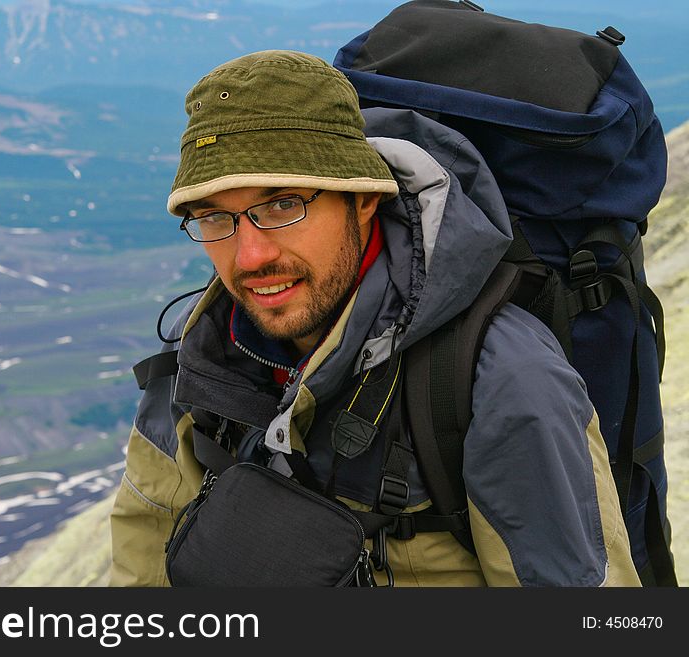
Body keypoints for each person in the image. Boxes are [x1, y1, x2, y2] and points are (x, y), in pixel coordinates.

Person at [108, 50, 640, 586]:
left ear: (362, 199)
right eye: (215, 217)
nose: (249, 258)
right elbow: (144, 560)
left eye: (282, 205)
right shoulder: (199, 354)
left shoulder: (501, 377)